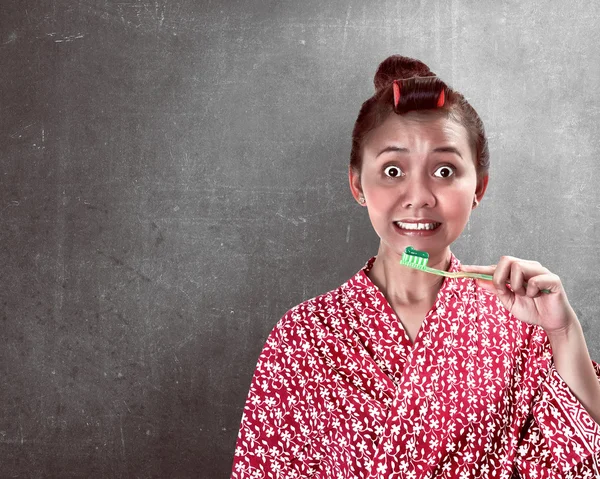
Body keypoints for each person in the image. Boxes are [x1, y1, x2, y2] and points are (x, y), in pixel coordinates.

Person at [231, 55, 600, 478]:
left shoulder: (520, 324)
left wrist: (563, 331)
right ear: (358, 185)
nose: (419, 195)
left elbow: (584, 459)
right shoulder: (302, 338)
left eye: (445, 170)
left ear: (477, 187)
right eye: (392, 170)